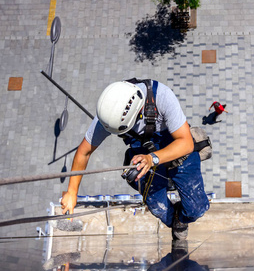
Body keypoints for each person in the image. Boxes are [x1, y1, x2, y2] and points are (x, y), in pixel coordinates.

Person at [61, 80, 210, 240]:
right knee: (158, 208)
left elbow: (186, 143)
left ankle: (181, 219)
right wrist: (72, 191)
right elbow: (84, 152)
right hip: (143, 154)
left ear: (137, 113)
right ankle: (175, 221)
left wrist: (152, 158)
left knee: (197, 209)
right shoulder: (109, 116)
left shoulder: (162, 97)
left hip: (177, 148)